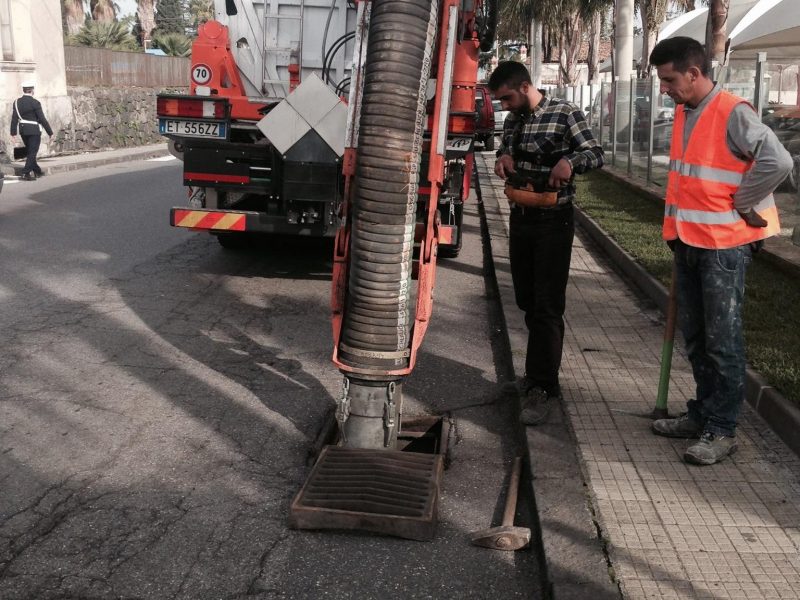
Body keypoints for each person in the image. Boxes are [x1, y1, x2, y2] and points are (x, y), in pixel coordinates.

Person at [648, 37, 792, 465]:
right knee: (696, 338)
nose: (665, 89)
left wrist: (745, 201)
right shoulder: (684, 110)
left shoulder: (732, 111)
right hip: (689, 242)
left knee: (722, 342)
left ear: (694, 73)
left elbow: (779, 162)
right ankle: (703, 415)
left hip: (724, 248)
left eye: (670, 79)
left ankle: (722, 429)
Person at [488, 61, 604, 425]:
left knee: (546, 306)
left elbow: (595, 153)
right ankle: (534, 376)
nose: (503, 106)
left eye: (506, 97)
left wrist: (570, 162)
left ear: (524, 87)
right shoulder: (513, 121)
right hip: (522, 217)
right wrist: (503, 157)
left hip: (554, 221)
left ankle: (543, 387)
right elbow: (504, 149)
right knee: (525, 299)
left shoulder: (565, 114)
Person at [10, 80, 53, 181]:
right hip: (34, 131)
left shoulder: (16, 102)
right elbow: (42, 119)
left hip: (23, 130)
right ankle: (26, 173)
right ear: (32, 90)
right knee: (32, 152)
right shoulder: (35, 103)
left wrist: (13, 133)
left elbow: (14, 118)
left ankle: (37, 171)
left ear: (23, 90)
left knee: (30, 151)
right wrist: (50, 132)